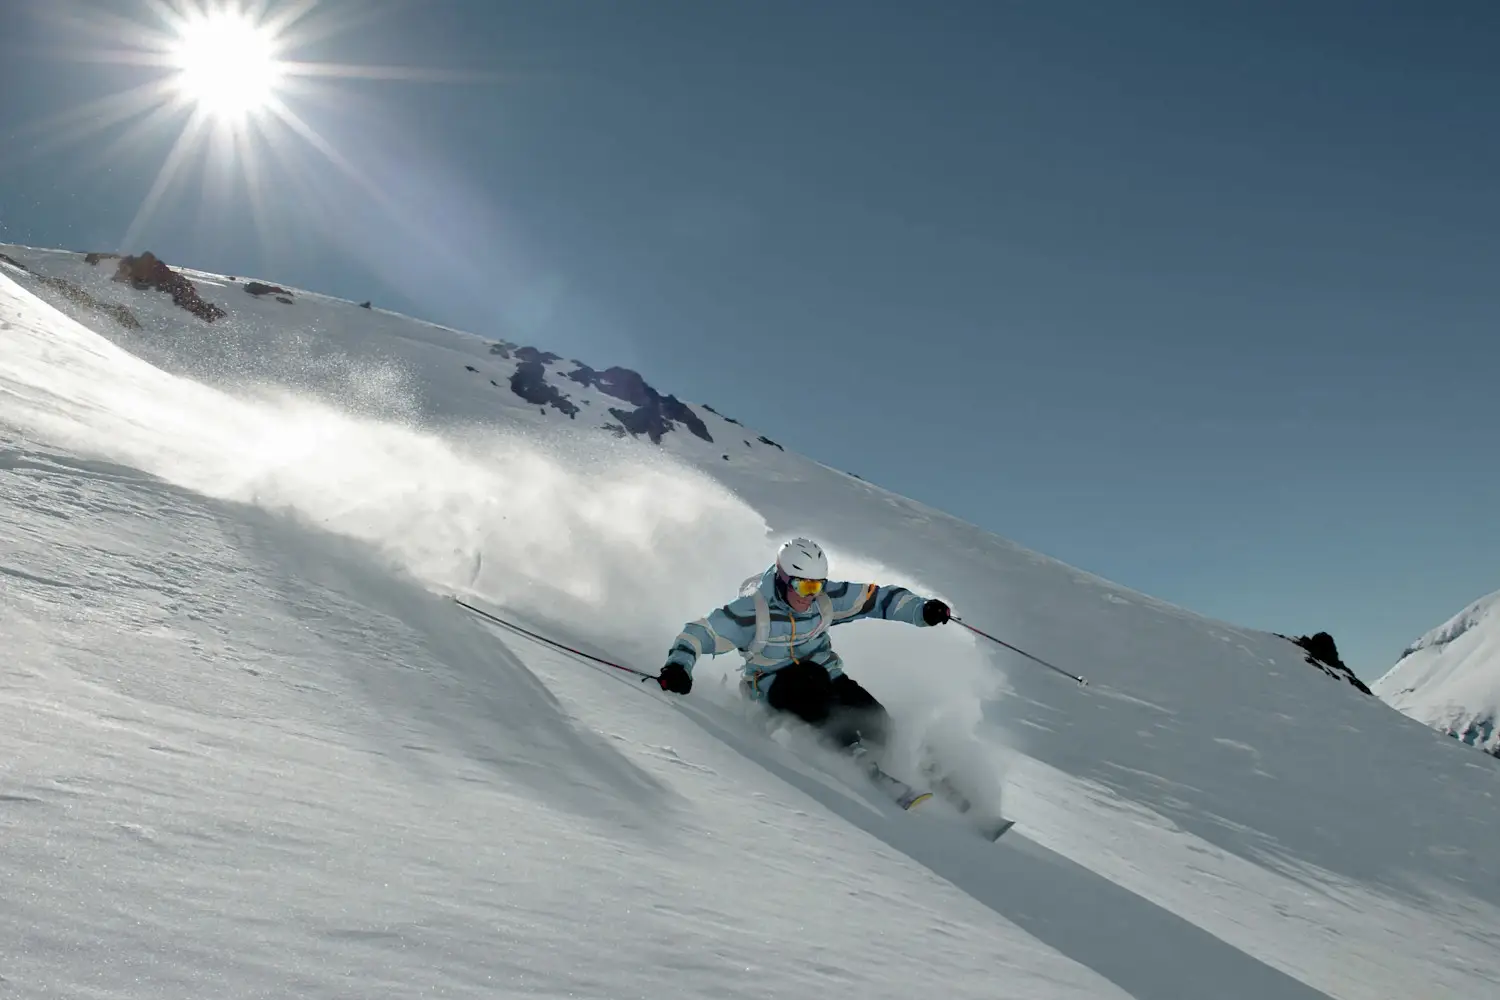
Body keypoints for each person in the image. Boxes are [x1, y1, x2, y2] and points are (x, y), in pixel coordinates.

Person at [656, 538, 950, 758]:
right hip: (775, 687)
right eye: (803, 587)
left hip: (825, 677)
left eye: (817, 586)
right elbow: (700, 632)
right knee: (820, 705)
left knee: (875, 719)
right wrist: (678, 666)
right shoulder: (753, 612)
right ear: (783, 580)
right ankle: (852, 755)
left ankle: (915, 766)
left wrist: (921, 610)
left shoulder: (825, 599)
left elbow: (878, 599)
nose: (809, 595)